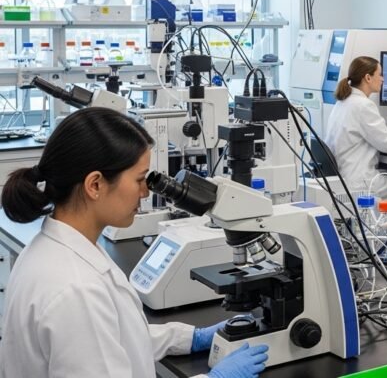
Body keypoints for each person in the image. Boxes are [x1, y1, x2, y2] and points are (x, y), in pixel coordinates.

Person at [0, 107, 269, 378]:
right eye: (140, 179)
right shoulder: (77, 291)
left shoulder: (53, 249)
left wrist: (191, 338)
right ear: (95, 185)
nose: (145, 192)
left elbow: (117, 337)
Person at [324, 56, 387, 200]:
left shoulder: (342, 102)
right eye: (380, 74)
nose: (383, 79)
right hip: (358, 183)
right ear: (368, 78)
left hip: (344, 178)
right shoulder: (363, 105)